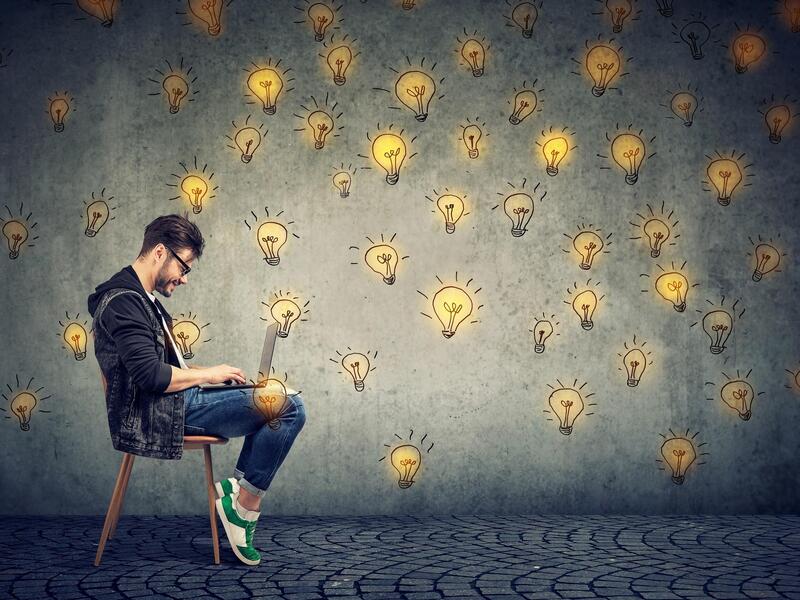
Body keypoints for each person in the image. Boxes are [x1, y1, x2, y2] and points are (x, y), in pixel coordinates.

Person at [87, 213, 306, 566]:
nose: (184, 279)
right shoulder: (124, 302)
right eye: (184, 267)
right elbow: (151, 377)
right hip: (157, 414)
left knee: (279, 401)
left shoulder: (144, 300)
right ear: (160, 252)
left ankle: (239, 496)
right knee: (288, 406)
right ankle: (244, 504)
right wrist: (208, 375)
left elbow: (166, 365)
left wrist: (212, 372)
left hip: (172, 403)